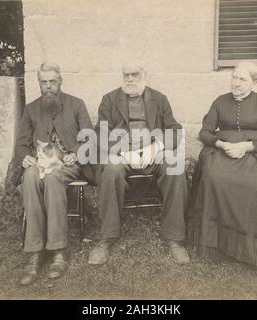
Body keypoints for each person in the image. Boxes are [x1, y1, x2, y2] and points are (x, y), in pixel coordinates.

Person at [188, 61, 257, 275]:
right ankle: (215, 244)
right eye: (234, 77)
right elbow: (205, 132)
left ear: (254, 83)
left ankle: (254, 247)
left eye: (242, 79)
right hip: (223, 151)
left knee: (255, 185)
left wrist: (248, 146)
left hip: (256, 154)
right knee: (214, 178)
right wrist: (221, 144)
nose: (236, 83)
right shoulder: (220, 102)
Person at [88, 61, 190, 265]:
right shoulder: (109, 100)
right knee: (111, 169)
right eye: (126, 75)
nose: (130, 79)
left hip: (152, 151)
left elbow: (175, 130)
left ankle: (174, 238)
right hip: (123, 153)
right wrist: (125, 152)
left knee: (175, 167)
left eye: (135, 74)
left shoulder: (159, 99)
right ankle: (107, 238)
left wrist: (157, 147)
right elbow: (101, 134)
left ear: (145, 75)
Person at [15, 62, 93, 285]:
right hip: (39, 162)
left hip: (68, 164)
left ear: (60, 82)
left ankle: (59, 249)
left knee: (52, 177)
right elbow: (21, 143)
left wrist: (76, 154)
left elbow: (89, 138)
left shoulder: (76, 105)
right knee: (29, 176)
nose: (48, 86)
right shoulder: (30, 109)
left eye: (52, 82)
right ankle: (34, 253)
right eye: (44, 82)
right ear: (39, 83)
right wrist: (25, 157)